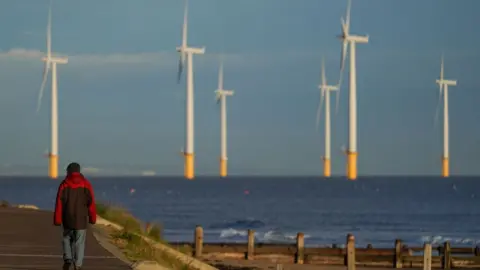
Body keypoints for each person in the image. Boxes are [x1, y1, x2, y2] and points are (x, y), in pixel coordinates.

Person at [53, 162, 97, 270]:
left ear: (68, 171)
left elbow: (59, 203)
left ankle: (68, 259)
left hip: (67, 219)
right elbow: (91, 203)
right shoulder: (86, 184)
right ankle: (78, 264)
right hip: (81, 220)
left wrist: (57, 219)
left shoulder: (64, 184)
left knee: (66, 239)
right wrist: (92, 218)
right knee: (79, 243)